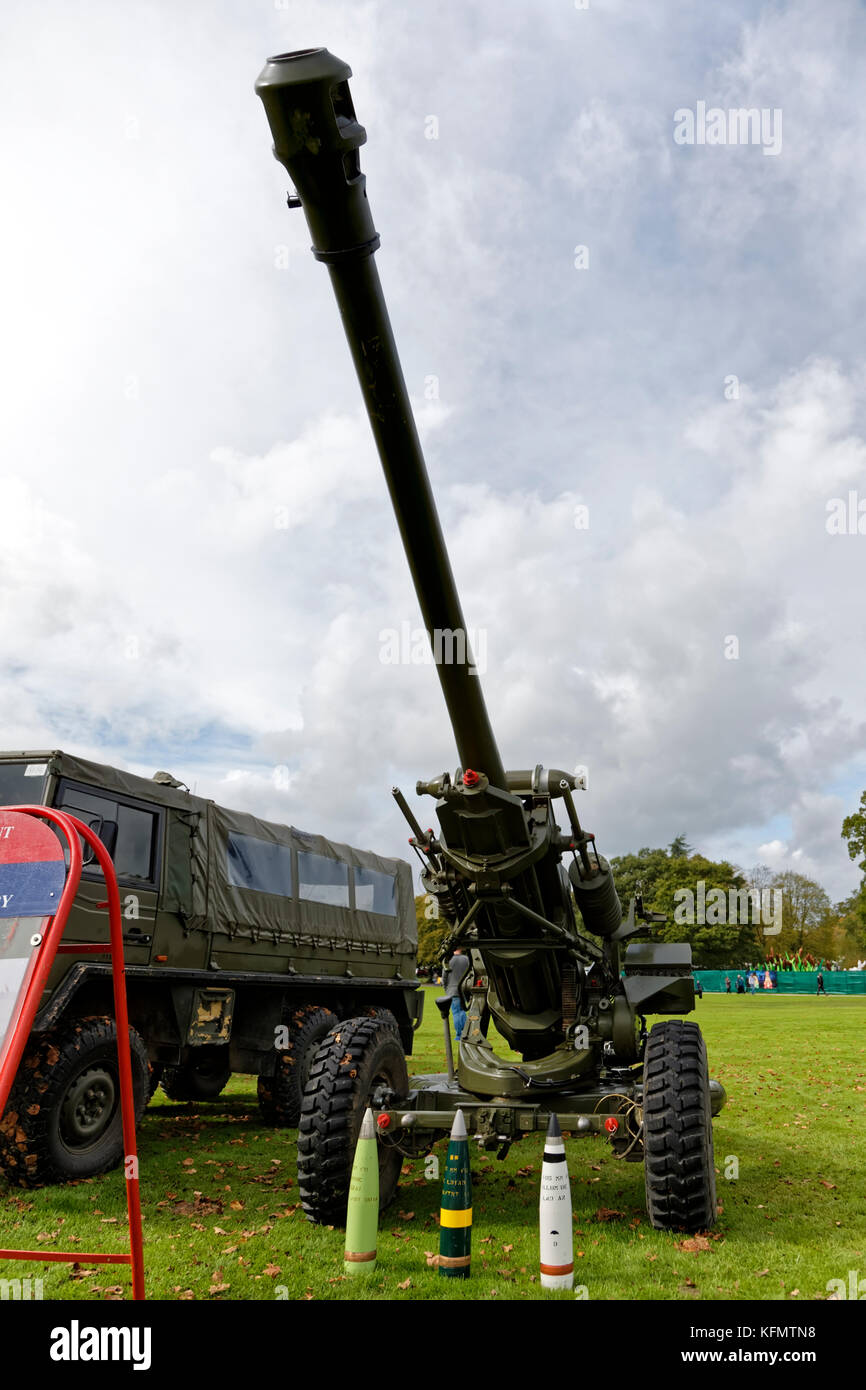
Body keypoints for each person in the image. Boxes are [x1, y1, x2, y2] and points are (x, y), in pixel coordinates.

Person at [444, 946, 471, 1041]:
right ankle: (466, 1032)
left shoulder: (448, 960)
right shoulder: (467, 959)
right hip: (464, 988)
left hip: (452, 990)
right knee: (462, 1011)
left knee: (456, 1012)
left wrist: (446, 989)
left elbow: (444, 977)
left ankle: (459, 1035)